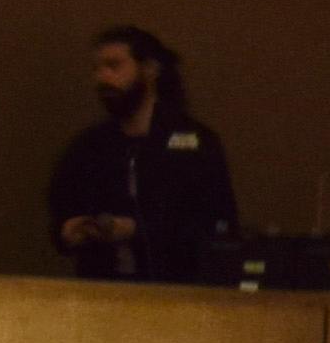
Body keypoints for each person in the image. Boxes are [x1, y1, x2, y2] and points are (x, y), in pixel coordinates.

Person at [49, 27, 238, 285]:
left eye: (113, 66)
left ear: (149, 69)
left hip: (179, 294)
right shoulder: (87, 147)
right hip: (102, 295)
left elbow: (216, 225)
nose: (102, 77)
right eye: (97, 68)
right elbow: (61, 212)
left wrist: (136, 229)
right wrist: (70, 231)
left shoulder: (196, 143)